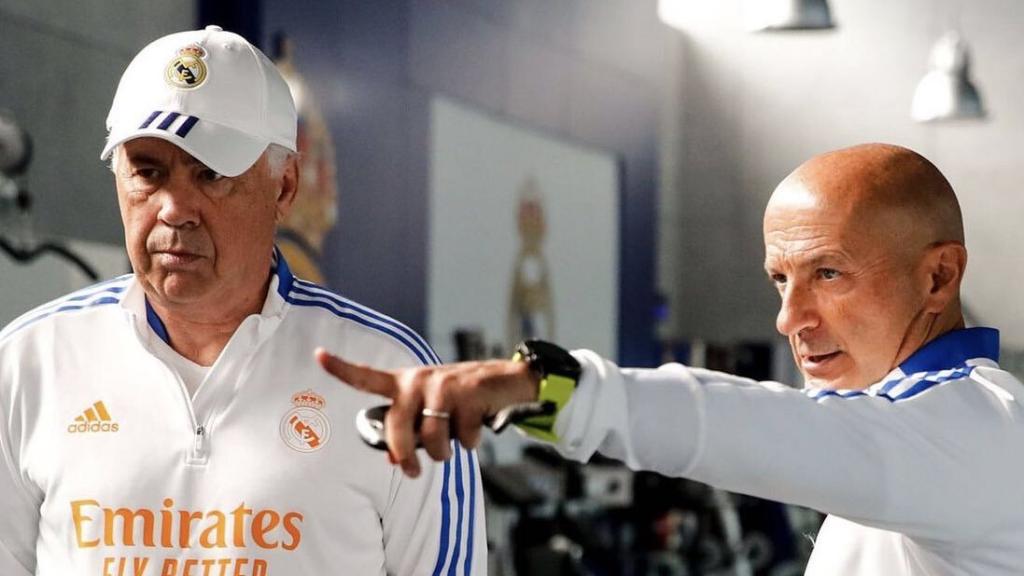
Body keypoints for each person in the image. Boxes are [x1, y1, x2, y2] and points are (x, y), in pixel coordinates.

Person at [319, 143, 1024, 575]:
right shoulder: (913, 430)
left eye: (829, 275)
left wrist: (548, 388)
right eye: (781, 280)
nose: (791, 319)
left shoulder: (975, 429)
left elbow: (769, 428)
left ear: (936, 277)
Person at [0, 26, 484, 576]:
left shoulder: (395, 374)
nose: (174, 208)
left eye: (211, 174)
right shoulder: (26, 364)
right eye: (147, 172)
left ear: (284, 187)